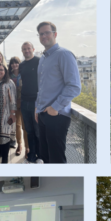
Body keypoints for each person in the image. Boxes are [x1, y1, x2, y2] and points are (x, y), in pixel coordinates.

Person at [35, 21, 81, 163]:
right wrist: (37, 107)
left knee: (57, 160)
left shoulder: (64, 54)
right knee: (45, 157)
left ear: (55, 34)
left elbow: (74, 86)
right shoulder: (43, 58)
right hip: (42, 114)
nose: (44, 36)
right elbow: (41, 87)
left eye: (47, 32)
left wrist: (55, 107)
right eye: (41, 34)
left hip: (57, 115)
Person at [20, 42, 43, 164]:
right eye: (24, 49)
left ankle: (40, 156)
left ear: (33, 49)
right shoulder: (22, 65)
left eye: (28, 48)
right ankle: (31, 157)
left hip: (36, 102)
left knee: (37, 130)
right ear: (22, 51)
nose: (26, 51)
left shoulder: (39, 61)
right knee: (29, 130)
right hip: (25, 101)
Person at [0, 63, 17, 163]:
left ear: (5, 72)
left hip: (5, 114)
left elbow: (13, 99)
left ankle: (5, 159)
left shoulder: (9, 83)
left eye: (2, 70)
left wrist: (12, 114)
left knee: (5, 136)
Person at [9, 56, 27, 157]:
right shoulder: (9, 76)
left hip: (24, 102)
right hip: (14, 104)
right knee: (17, 125)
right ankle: (19, 145)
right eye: (12, 63)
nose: (14, 65)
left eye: (16, 63)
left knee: (25, 126)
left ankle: (27, 147)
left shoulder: (23, 75)